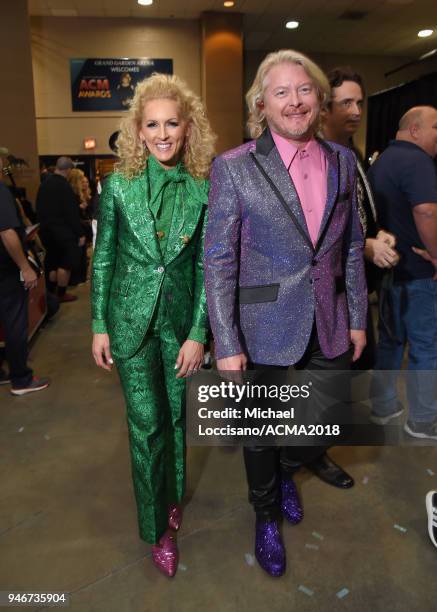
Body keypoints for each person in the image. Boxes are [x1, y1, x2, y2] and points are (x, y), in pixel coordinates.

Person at [204, 49, 367, 577]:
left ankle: (289, 470)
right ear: (261, 103)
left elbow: (348, 247)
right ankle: (266, 513)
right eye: (281, 92)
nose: (294, 101)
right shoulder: (233, 167)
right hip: (260, 321)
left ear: (319, 99)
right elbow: (220, 259)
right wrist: (225, 341)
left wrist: (359, 315)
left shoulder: (344, 160)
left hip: (330, 312)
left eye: (304, 90)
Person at [91, 73, 215, 577]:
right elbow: (103, 260)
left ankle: (172, 498)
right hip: (130, 324)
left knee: (177, 421)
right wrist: (99, 323)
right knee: (146, 428)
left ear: (188, 129)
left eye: (172, 123)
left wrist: (198, 332)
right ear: (138, 131)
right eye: (152, 125)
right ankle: (157, 531)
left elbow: (210, 265)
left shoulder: (204, 187)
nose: (162, 134)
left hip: (180, 328)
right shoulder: (117, 187)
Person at [321, 67, 400, 371]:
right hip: (331, 288)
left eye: (359, 103)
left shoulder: (350, 152)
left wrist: (378, 234)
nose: (355, 112)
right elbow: (313, 230)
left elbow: (360, 207)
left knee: (355, 370)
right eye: (346, 103)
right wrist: (364, 245)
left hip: (357, 281)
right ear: (325, 108)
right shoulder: (316, 156)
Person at [368, 106, 437, 439]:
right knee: (426, 346)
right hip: (419, 273)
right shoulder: (418, 160)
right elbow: (426, 212)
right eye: (436, 127)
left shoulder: (381, 162)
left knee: (391, 341)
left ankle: (384, 406)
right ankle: (423, 419)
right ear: (414, 129)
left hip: (388, 271)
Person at [0, 149, 50, 395]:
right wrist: (24, 266)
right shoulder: (0, 191)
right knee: (14, 323)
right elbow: (7, 232)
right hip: (6, 273)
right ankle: (21, 379)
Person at [36, 156, 85, 302]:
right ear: (69, 170)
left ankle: (50, 292)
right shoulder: (64, 186)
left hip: (46, 232)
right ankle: (62, 293)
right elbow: (71, 213)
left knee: (52, 262)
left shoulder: (44, 184)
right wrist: (80, 233)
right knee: (66, 263)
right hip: (63, 233)